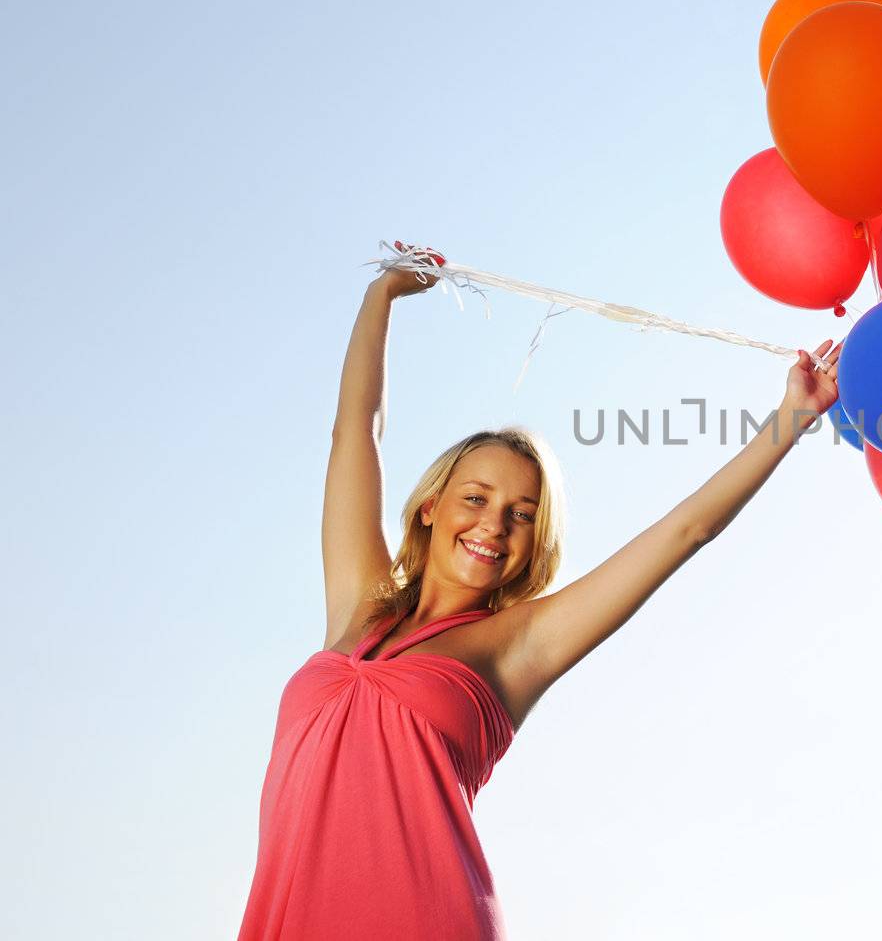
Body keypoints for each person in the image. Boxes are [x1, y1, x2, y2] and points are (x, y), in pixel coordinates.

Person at [237, 247, 843, 939]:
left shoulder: (520, 646)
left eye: (521, 513)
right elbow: (355, 432)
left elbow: (686, 532)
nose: (493, 524)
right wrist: (383, 295)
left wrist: (791, 420)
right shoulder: (357, 608)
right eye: (476, 497)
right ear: (431, 506)